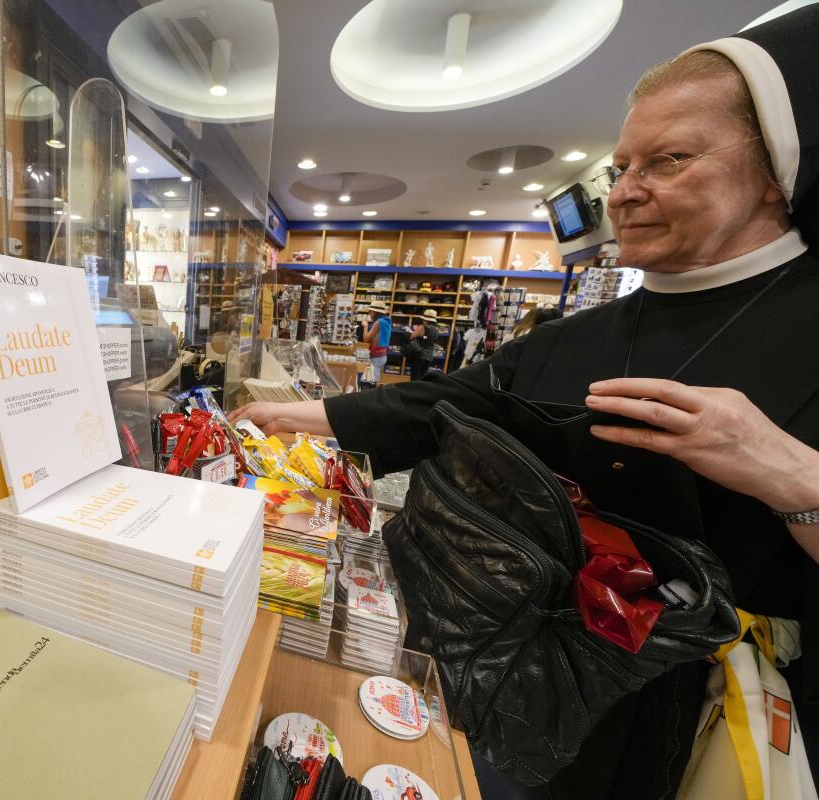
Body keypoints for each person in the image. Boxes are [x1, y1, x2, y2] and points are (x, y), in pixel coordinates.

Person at [233, 8, 819, 797]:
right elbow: (449, 402)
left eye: (670, 159)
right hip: (534, 672)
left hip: (701, 714)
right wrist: (291, 416)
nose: (627, 194)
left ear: (776, 166)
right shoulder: (585, 331)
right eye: (623, 169)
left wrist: (791, 475)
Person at [403, 308, 440, 380]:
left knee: (415, 376)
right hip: (429, 355)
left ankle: (414, 390)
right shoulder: (436, 329)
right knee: (423, 376)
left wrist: (408, 332)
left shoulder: (422, 327)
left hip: (419, 354)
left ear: (425, 319)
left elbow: (411, 337)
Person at [362, 302, 392, 384]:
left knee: (368, 382)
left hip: (376, 356)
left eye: (370, 311)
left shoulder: (378, 322)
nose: (369, 313)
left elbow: (366, 339)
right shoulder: (387, 321)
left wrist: (365, 326)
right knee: (371, 380)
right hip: (382, 355)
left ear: (375, 312)